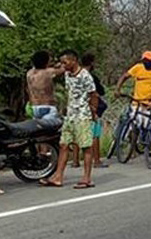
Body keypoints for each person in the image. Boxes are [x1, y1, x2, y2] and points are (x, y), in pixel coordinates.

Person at [40, 50, 98, 189]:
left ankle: (86, 178)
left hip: (82, 115)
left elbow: (93, 95)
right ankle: (58, 176)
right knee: (63, 145)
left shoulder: (85, 76)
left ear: (74, 61)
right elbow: (70, 93)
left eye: (65, 62)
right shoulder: (67, 74)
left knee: (85, 146)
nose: (63, 65)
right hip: (70, 115)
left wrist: (93, 113)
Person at [80, 53, 109, 169]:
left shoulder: (76, 75)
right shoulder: (91, 77)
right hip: (91, 108)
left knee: (78, 134)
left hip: (78, 108)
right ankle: (96, 160)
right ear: (92, 63)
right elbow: (99, 93)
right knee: (95, 134)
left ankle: (76, 160)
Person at [26, 50, 63, 120]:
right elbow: (63, 69)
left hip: (35, 107)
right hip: (48, 106)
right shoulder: (48, 72)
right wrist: (60, 64)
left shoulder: (29, 73)